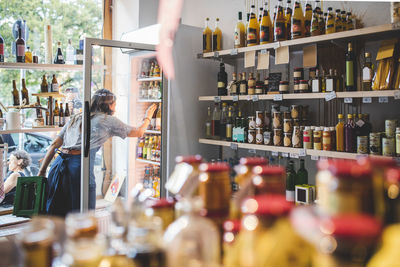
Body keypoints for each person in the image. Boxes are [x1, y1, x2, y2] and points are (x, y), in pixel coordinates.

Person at [38, 89, 157, 217]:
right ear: (109, 105)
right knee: (85, 215)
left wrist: (42, 171)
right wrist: (148, 116)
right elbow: (139, 132)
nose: (115, 108)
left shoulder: (77, 117)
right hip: (78, 166)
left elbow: (54, 144)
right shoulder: (107, 120)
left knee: (57, 213)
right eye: (115, 104)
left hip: (58, 165)